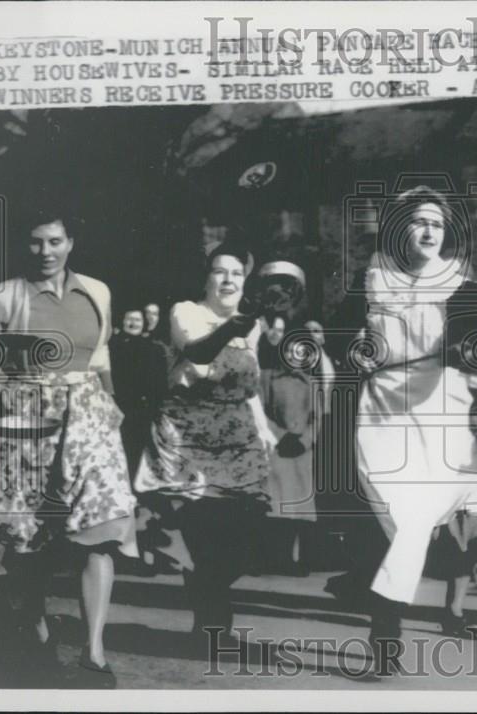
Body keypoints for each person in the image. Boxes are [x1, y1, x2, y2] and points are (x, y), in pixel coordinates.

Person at [0, 211, 138, 687]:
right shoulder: (4, 295)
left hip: (90, 422)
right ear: (25, 246)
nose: (46, 252)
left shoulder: (96, 291)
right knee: (27, 535)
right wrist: (7, 390)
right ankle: (37, 629)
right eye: (36, 243)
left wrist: (113, 408)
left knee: (101, 529)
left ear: (70, 242)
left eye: (54, 241)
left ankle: (94, 653)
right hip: (28, 422)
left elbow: (101, 358)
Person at [328, 186, 477, 673]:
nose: (428, 231)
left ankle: (383, 634)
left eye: (437, 224)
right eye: (419, 222)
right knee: (399, 519)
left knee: (416, 524)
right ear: (399, 228)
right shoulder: (371, 277)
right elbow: (338, 335)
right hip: (383, 410)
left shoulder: (460, 286)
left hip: (442, 412)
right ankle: (378, 612)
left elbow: (473, 346)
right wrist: (356, 348)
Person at [135, 243, 278, 648]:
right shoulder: (186, 311)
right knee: (205, 535)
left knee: (248, 530)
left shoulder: (251, 325)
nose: (228, 279)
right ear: (206, 278)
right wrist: (229, 330)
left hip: (237, 437)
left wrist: (264, 429)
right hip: (188, 435)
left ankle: (204, 598)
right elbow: (197, 352)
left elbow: (249, 385)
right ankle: (213, 626)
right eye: (220, 271)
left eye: (236, 273)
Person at [258, 290, 335, 575]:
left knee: (299, 507)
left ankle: (295, 558)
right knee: (276, 506)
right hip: (277, 449)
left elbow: (318, 417)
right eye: (291, 349)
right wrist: (277, 435)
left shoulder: (312, 384)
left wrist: (306, 439)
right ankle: (273, 558)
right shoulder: (267, 377)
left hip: (302, 450)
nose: (295, 354)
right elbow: (261, 411)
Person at [109, 308, 167, 475]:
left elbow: (160, 382)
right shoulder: (113, 346)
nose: (133, 323)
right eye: (129, 319)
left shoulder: (154, 349)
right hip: (117, 403)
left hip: (142, 406)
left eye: (138, 320)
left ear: (144, 324)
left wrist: (154, 405)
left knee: (137, 447)